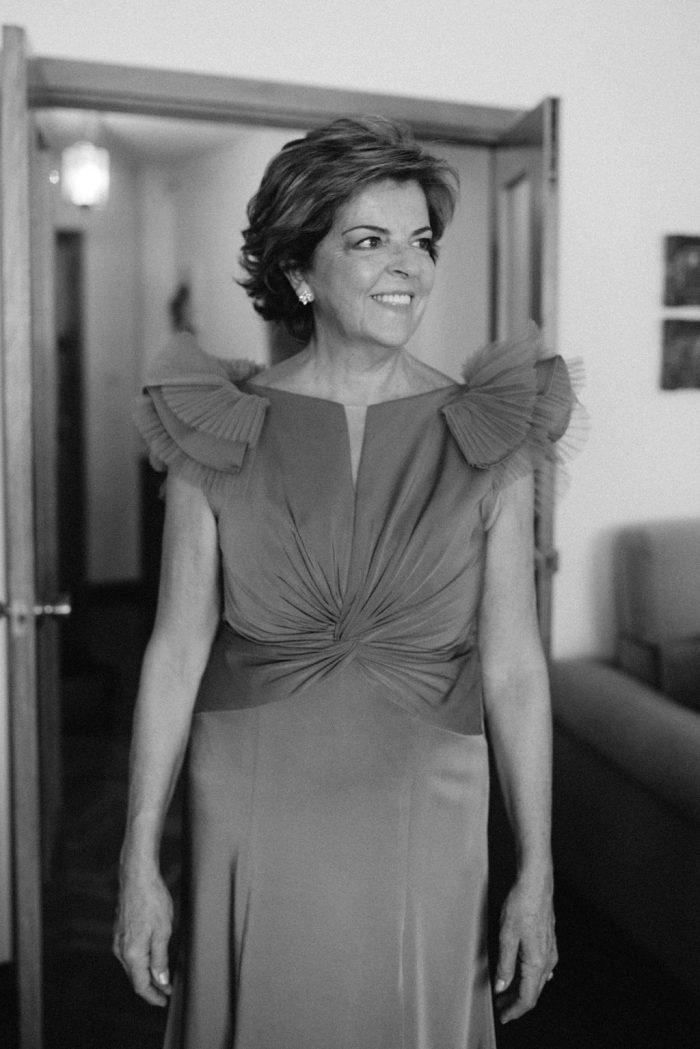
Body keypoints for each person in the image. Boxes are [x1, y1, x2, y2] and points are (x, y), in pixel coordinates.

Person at [114, 116, 582, 1048]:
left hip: (428, 802)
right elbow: (175, 650)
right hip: (253, 796)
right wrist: (136, 856)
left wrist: (537, 868)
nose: (406, 265)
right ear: (300, 269)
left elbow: (516, 667)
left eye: (421, 241)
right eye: (369, 241)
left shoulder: (491, 428)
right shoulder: (219, 423)